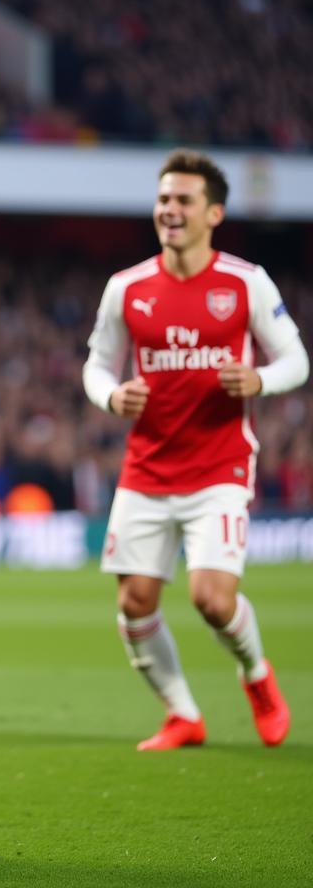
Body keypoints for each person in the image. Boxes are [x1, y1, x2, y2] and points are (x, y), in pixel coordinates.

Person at [83, 149, 308, 750]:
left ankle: (257, 677)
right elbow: (96, 367)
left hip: (220, 465)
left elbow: (296, 359)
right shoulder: (126, 289)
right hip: (147, 467)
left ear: (214, 213)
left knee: (212, 598)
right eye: (163, 200)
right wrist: (112, 397)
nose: (170, 210)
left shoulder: (245, 282)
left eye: (183, 200)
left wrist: (261, 379)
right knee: (135, 602)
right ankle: (183, 714)